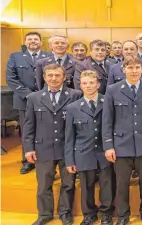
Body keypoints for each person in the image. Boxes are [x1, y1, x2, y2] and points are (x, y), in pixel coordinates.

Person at [23, 64, 82, 225]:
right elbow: (29, 125)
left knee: (68, 183)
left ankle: (65, 212)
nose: (54, 78)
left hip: (67, 148)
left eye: (57, 75)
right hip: (43, 148)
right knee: (43, 185)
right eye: (50, 75)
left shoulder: (75, 95)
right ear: (44, 77)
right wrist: (28, 149)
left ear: (64, 77)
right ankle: (44, 214)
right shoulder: (34, 98)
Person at [102, 56, 142, 225]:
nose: (134, 71)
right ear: (123, 69)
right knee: (121, 184)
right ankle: (123, 215)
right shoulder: (112, 89)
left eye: (137, 68)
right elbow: (107, 120)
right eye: (130, 67)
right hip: (121, 146)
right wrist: (108, 146)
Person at [64, 70, 114, 225]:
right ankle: (89, 213)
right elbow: (69, 136)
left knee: (107, 184)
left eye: (92, 83)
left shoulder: (107, 102)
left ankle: (106, 213)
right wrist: (69, 160)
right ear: (80, 85)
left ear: (98, 84)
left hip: (104, 151)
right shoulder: (73, 108)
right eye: (85, 83)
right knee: (87, 185)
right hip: (83, 152)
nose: (88, 86)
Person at [6, 31, 51, 174]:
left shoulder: (49, 57)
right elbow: (11, 78)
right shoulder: (15, 57)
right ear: (25, 42)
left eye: (36, 39)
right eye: (30, 39)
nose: (33, 41)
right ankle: (27, 162)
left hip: (46, 100)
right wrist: (30, 95)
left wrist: (42, 95)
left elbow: (54, 76)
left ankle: (45, 160)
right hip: (24, 101)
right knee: (27, 131)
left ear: (40, 42)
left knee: (46, 131)